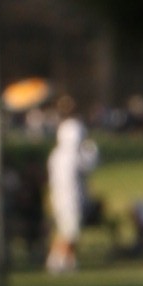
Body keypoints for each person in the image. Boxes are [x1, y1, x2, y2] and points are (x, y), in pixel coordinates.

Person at [46, 98, 97, 274]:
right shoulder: (71, 155)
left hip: (62, 196)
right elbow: (88, 166)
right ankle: (62, 260)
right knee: (70, 229)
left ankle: (61, 259)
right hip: (70, 196)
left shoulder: (56, 155)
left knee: (66, 229)